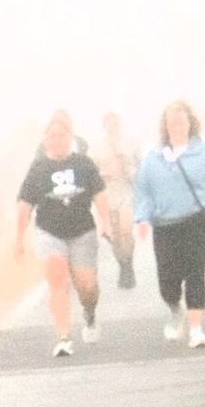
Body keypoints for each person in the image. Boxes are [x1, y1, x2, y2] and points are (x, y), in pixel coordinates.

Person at [134, 100, 205, 348]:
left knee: (195, 271)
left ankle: (196, 330)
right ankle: (175, 311)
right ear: (165, 126)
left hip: (199, 221)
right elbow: (144, 192)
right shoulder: (153, 158)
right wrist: (142, 218)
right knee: (168, 279)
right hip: (165, 224)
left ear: (190, 124)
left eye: (181, 122)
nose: (177, 126)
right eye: (172, 122)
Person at [15, 116, 112, 356]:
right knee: (57, 280)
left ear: (70, 138)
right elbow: (25, 205)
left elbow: (100, 195)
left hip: (82, 231)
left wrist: (106, 223)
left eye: (61, 136)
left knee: (87, 287)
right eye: (52, 136)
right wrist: (18, 238)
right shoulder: (38, 169)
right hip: (49, 232)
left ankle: (89, 315)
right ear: (46, 141)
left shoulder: (84, 164)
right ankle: (63, 337)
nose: (57, 140)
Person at [92, 111, 139, 289]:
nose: (112, 127)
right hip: (107, 194)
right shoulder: (97, 149)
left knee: (126, 230)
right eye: (108, 123)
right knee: (116, 236)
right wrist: (106, 173)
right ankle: (124, 266)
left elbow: (140, 165)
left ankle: (129, 263)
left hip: (126, 191)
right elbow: (92, 174)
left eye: (115, 123)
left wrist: (132, 171)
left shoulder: (130, 144)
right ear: (104, 126)